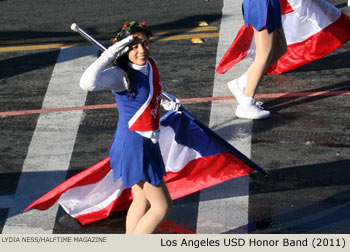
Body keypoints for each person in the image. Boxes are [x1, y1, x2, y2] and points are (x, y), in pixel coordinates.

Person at [79, 21, 174, 234]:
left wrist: (165, 101)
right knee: (162, 207)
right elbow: (87, 83)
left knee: (141, 202)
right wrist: (109, 55)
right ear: (123, 49)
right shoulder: (120, 75)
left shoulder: (151, 64)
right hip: (134, 145)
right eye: (133, 46)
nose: (141, 50)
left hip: (145, 142)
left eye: (145, 44)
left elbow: (150, 91)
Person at [227, 0, 287, 119]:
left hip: (266, 4)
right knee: (264, 55)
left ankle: (241, 83)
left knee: (280, 48)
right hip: (263, 4)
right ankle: (246, 104)